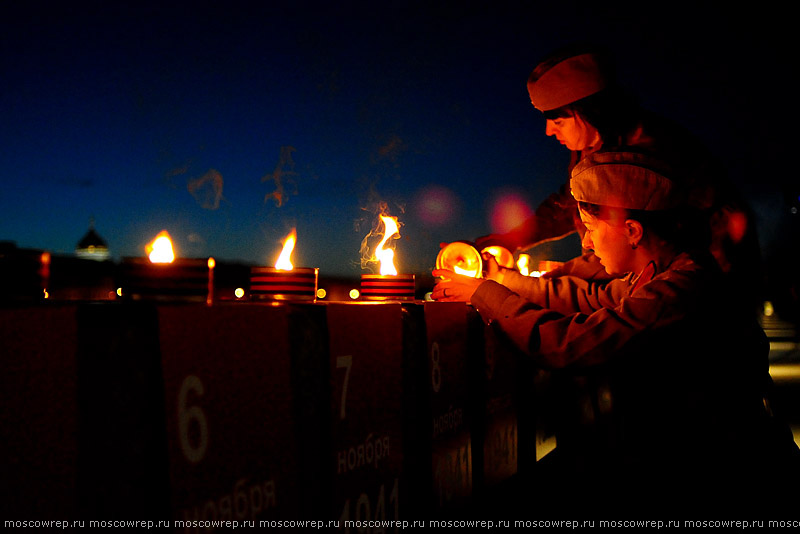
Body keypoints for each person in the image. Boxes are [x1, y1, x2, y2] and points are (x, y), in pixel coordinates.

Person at [434, 151, 800, 513]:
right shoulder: (662, 273)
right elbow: (585, 298)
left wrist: (486, 296)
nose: (587, 244)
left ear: (632, 231)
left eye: (591, 230)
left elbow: (571, 343)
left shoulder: (679, 289)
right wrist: (500, 280)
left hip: (729, 479)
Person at [476, 44, 761, 306]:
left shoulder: (649, 160)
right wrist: (506, 241)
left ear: (588, 111)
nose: (549, 131)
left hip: (705, 298)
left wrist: (531, 283)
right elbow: (564, 208)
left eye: (558, 119)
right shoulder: (594, 148)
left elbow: (641, 246)